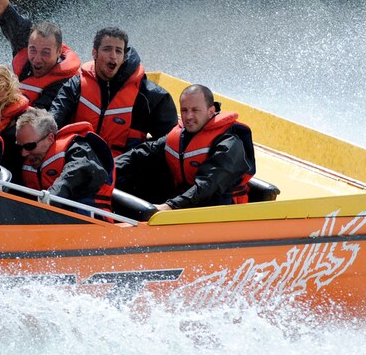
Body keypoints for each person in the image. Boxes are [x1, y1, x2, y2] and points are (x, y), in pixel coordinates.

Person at [114, 84, 255, 210]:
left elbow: (208, 185)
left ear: (211, 111)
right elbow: (143, 153)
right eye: (184, 110)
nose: (188, 116)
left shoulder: (229, 143)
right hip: (183, 203)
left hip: (218, 211)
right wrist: (109, 167)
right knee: (137, 172)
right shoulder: (181, 134)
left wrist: (169, 206)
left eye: (195, 110)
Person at [49, 26, 178, 157]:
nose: (113, 56)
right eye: (107, 49)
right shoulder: (75, 85)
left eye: (118, 51)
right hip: (77, 160)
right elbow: (53, 122)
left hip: (126, 169)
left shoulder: (148, 95)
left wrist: (136, 158)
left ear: (124, 57)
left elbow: (171, 140)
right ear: (95, 53)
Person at [16, 108, 115, 214]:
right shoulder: (27, 158)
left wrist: (50, 199)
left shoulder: (79, 150)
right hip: (46, 220)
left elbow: (76, 172)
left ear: (50, 139)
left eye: (29, 146)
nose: (24, 153)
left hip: (90, 222)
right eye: (20, 147)